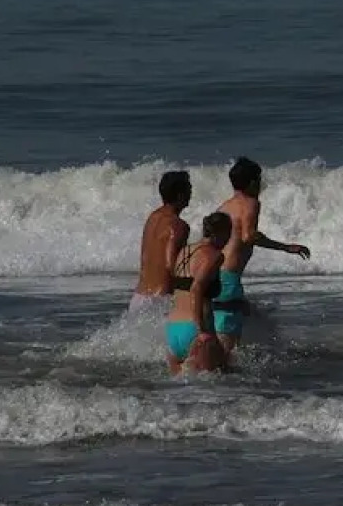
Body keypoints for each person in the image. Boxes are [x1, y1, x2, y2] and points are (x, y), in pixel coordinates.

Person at [215, 157, 310, 355]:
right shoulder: (251, 203)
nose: (261, 185)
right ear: (252, 183)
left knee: (246, 317)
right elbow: (248, 236)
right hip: (230, 279)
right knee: (227, 346)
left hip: (214, 275)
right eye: (259, 180)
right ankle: (223, 379)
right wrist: (285, 247)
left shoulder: (223, 207)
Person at [164, 212, 233, 375]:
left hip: (173, 328)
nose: (229, 240)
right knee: (219, 386)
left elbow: (180, 287)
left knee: (180, 392)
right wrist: (201, 329)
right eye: (229, 234)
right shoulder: (215, 256)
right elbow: (196, 288)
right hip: (196, 329)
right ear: (221, 232)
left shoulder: (184, 252)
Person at [133, 170, 192, 308]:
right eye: (189, 189)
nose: (191, 194)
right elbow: (171, 266)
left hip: (139, 298)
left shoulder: (152, 218)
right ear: (180, 195)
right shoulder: (178, 225)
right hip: (160, 301)